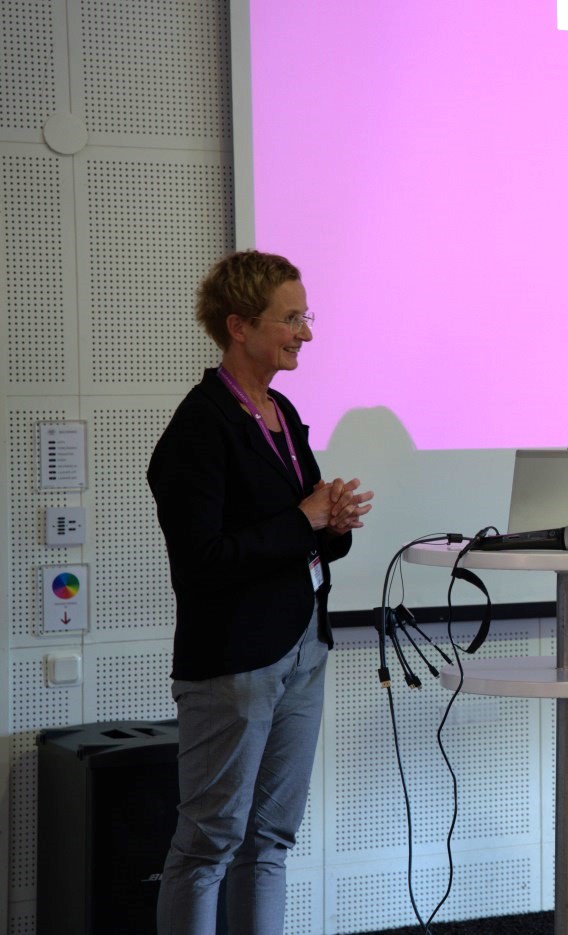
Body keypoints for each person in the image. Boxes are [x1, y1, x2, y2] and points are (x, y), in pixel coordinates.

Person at [147, 250, 373, 934]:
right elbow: (202, 559)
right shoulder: (200, 425)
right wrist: (303, 519)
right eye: (291, 318)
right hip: (234, 658)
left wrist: (332, 523)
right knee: (209, 842)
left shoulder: (281, 412)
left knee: (271, 838)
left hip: (302, 645)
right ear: (239, 325)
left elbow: (303, 530)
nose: (306, 332)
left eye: (306, 316)